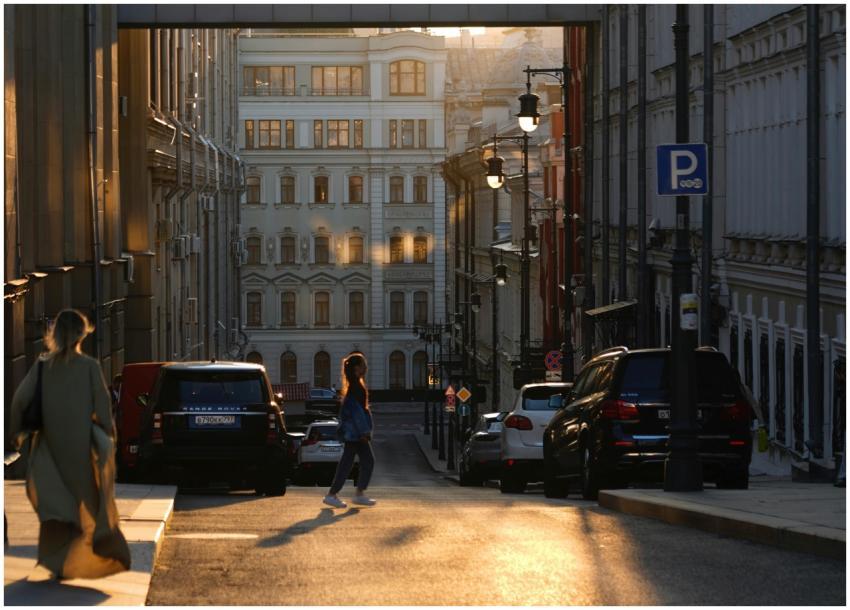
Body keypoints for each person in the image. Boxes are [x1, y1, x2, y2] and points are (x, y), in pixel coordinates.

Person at [8, 309, 130, 579]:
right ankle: (97, 554)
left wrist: (16, 435)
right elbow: (103, 407)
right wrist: (110, 437)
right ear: (81, 335)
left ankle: (57, 561)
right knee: (87, 507)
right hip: (81, 450)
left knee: (55, 512)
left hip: (47, 449)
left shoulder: (42, 365)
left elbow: (19, 401)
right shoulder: (89, 367)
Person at [323, 352, 376, 508]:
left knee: (351, 462)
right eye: (363, 364)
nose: (366, 366)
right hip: (356, 433)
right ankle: (338, 494)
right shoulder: (356, 387)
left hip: (354, 432)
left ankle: (346, 494)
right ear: (357, 368)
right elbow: (357, 413)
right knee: (363, 461)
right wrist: (364, 432)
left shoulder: (355, 385)